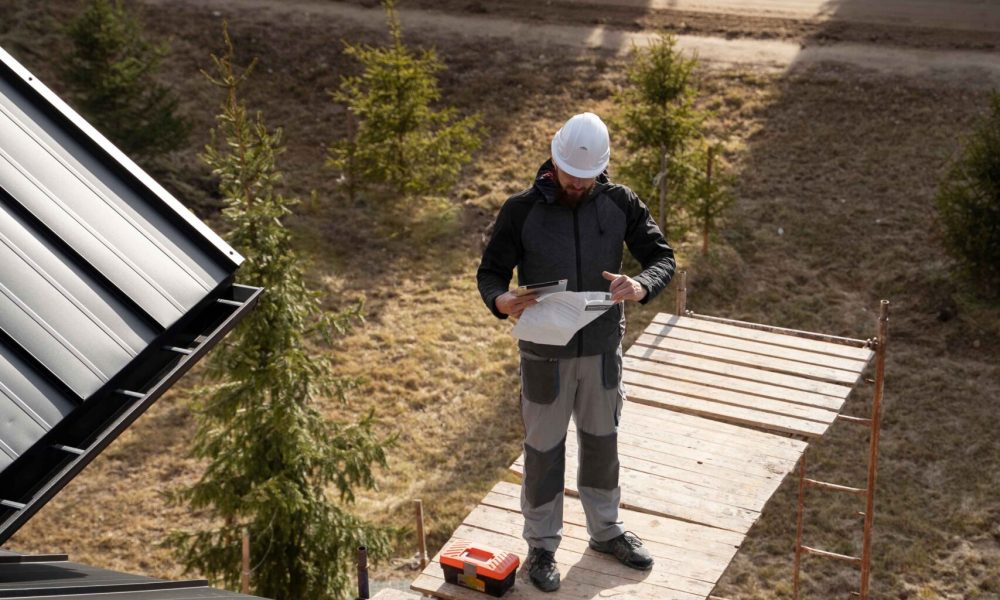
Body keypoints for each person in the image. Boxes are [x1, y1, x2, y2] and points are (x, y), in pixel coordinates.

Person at [477, 112, 675, 592]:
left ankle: (606, 532)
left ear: (600, 171)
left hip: (602, 349)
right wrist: (501, 301)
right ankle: (542, 545)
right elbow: (490, 274)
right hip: (544, 354)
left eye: (586, 178)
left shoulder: (620, 203)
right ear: (555, 160)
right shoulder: (520, 210)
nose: (576, 184)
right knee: (544, 452)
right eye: (569, 175)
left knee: (602, 444)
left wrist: (640, 284)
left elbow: (662, 258)